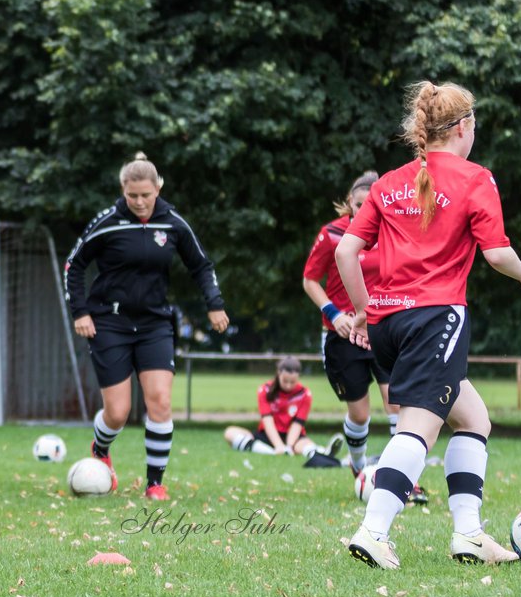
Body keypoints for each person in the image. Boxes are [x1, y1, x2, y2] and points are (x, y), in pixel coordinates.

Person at [338, 81, 521, 569]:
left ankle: (469, 534)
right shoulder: (474, 178)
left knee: (473, 418)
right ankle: (373, 530)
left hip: (389, 325)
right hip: (436, 319)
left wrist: (363, 310)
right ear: (463, 127)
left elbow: (345, 251)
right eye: (474, 125)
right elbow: (499, 254)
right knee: (417, 427)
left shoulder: (388, 181)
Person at [66, 153, 228, 500]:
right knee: (118, 412)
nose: (139, 202)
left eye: (146, 195)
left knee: (160, 402)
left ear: (158, 189)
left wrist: (214, 304)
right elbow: (74, 265)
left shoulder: (173, 223)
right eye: (132, 195)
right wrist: (81, 312)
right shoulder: (107, 222)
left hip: (155, 323)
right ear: (123, 190)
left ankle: (155, 483)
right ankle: (100, 448)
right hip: (109, 323)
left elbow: (201, 265)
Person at [302, 173, 422, 491]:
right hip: (343, 335)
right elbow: (310, 280)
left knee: (396, 403)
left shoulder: (395, 234)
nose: (364, 211)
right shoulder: (331, 235)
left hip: (383, 331)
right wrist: (334, 313)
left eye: (372, 204)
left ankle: (404, 479)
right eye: (359, 205)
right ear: (349, 203)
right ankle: (359, 470)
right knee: (360, 413)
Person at [222, 357, 339, 464]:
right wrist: (278, 446)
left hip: (293, 436)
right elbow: (267, 421)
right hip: (267, 435)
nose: (288, 386)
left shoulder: (305, 394)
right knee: (230, 432)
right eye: (285, 381)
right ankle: (272, 452)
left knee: (304, 446)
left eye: (292, 382)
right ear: (278, 374)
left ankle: (324, 452)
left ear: (298, 377)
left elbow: (298, 424)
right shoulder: (265, 389)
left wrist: (288, 445)